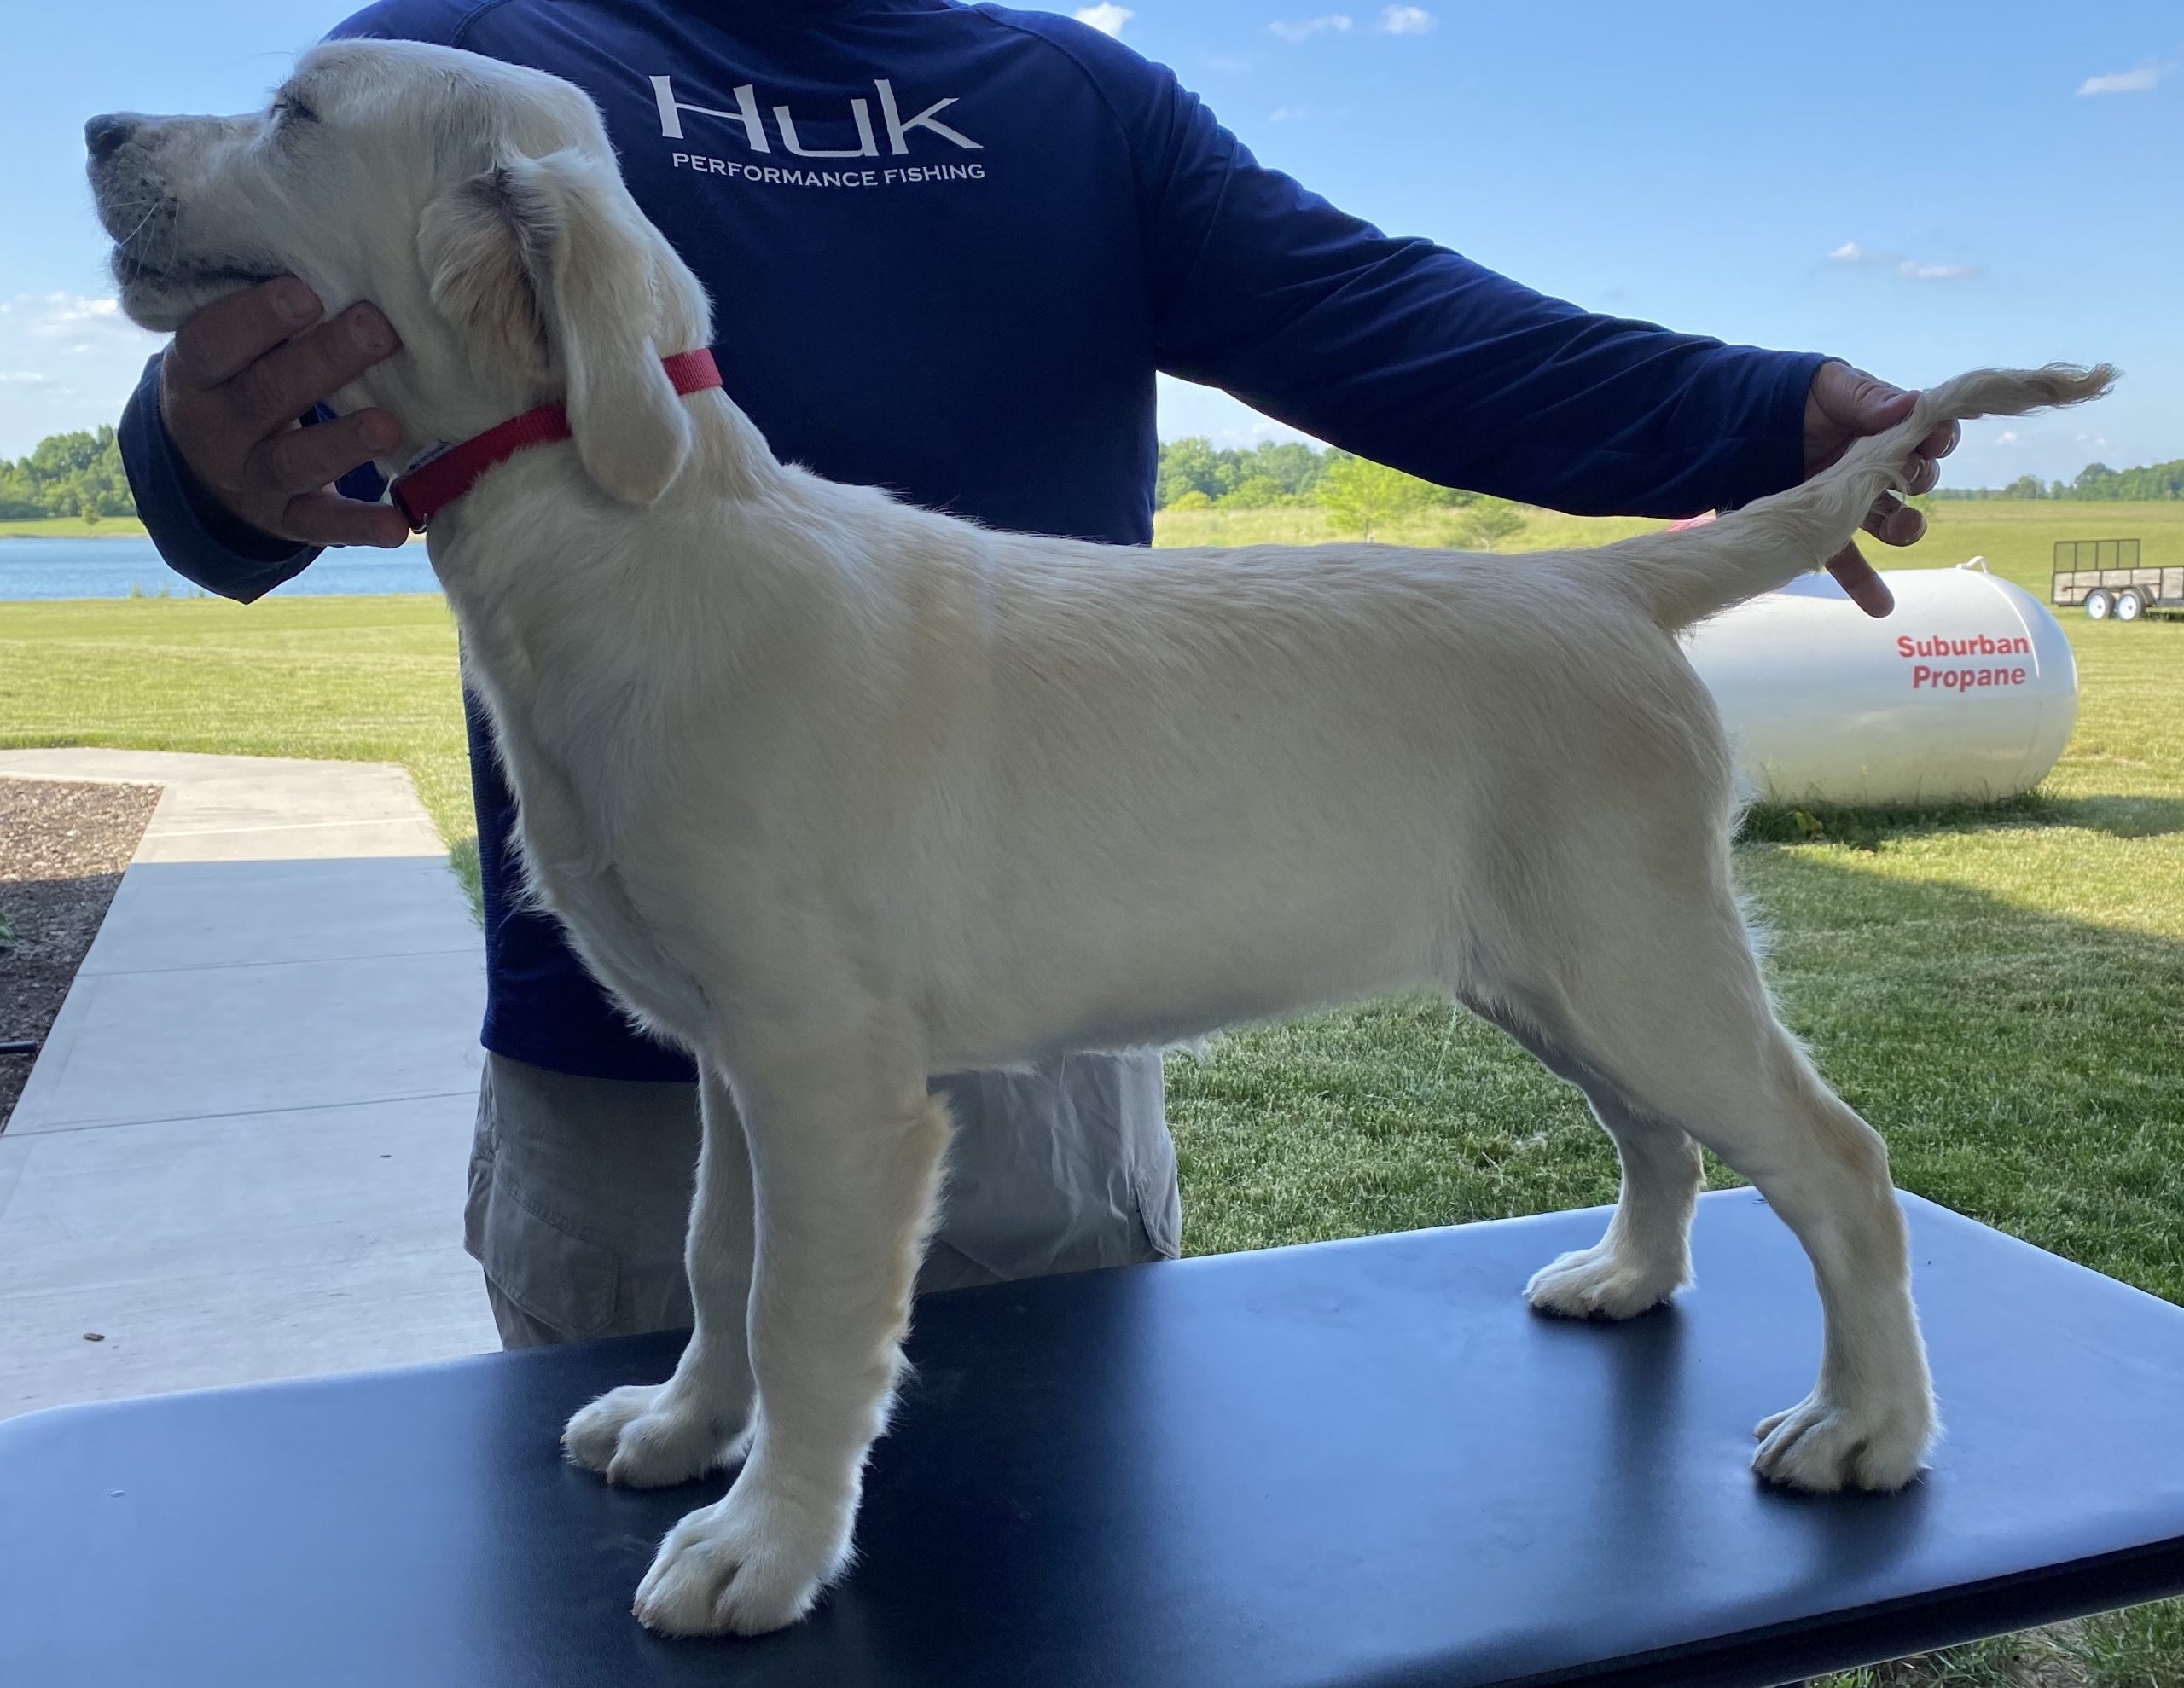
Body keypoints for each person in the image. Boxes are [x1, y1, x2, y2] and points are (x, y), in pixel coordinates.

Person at [118, 0, 1955, 1349]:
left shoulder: (1072, 95)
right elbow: (241, 396)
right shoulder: (465, 61)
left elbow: (1379, 317)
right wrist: (203, 474)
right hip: (626, 1091)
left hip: (1039, 1062)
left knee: (1052, 1585)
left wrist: (1751, 411)